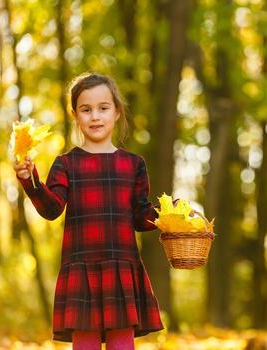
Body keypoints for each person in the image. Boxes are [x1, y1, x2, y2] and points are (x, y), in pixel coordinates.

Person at [13, 72, 177, 350]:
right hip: (81, 269)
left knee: (121, 344)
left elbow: (141, 214)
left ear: (117, 112)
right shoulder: (66, 164)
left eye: (103, 108)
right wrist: (31, 181)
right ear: (75, 115)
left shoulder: (133, 164)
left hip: (120, 267)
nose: (95, 116)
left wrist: (171, 217)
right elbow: (52, 209)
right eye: (86, 110)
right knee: (85, 344)